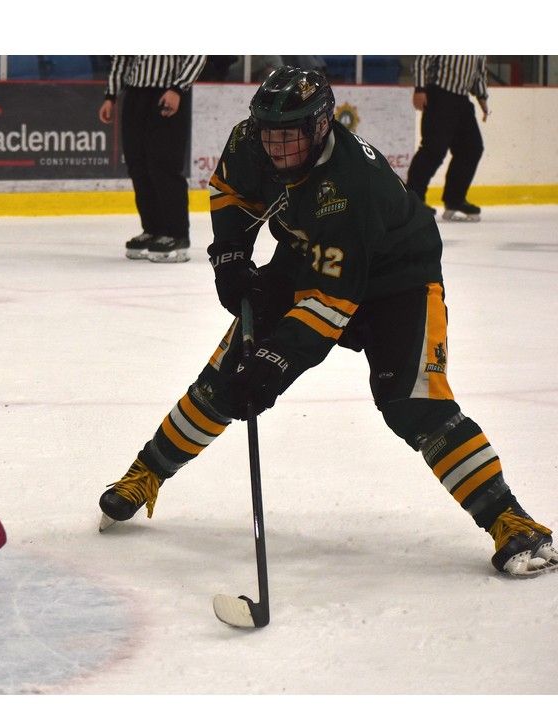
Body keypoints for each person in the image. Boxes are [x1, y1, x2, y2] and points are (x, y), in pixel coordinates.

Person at [98, 66, 556, 578]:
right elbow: (230, 190)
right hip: (306, 259)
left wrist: (274, 362)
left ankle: (511, 520)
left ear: (320, 127)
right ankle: (146, 473)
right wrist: (229, 253)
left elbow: (330, 306)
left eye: (291, 138)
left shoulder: (352, 184)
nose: (279, 152)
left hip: (398, 281)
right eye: (271, 138)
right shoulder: (252, 138)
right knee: (226, 379)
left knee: (412, 403)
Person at [99, 55, 207, 263]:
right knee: (137, 165)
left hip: (167, 92)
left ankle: (177, 234)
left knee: (164, 165)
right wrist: (111, 95)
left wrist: (178, 88)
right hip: (135, 94)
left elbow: (197, 56)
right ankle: (153, 229)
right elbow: (122, 58)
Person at [405, 55, 489, 222]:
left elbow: (478, 74)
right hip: (439, 95)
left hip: (462, 99)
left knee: (472, 148)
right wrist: (420, 89)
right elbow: (423, 60)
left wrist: (482, 99)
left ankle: (455, 199)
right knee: (434, 149)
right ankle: (413, 200)